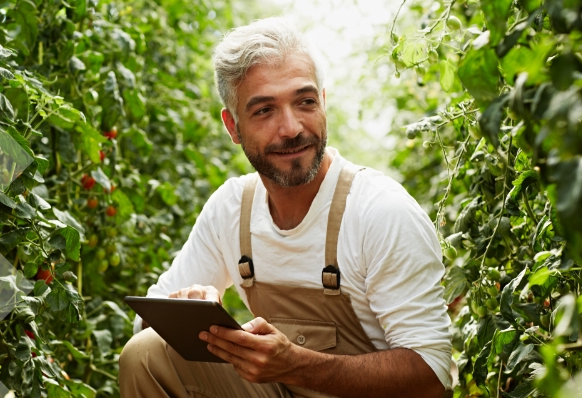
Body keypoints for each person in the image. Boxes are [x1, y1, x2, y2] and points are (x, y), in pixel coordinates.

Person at [118, 17, 452, 398]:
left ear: (323, 102)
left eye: (304, 102)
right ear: (233, 127)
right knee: (144, 354)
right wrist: (186, 311)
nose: (291, 127)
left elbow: (431, 378)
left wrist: (296, 364)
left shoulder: (380, 211)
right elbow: (147, 323)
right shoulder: (232, 209)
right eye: (264, 111)